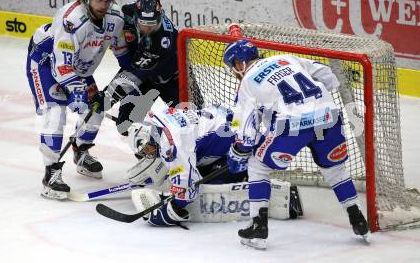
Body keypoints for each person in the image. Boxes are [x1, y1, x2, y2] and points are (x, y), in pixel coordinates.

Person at [223, 39, 369, 249]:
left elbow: (247, 134)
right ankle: (358, 218)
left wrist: (238, 152)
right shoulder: (286, 58)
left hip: (292, 126)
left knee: (257, 165)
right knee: (334, 168)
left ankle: (258, 226)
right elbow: (328, 75)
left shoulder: (247, 82)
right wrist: (310, 103)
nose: (235, 72)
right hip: (328, 116)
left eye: (233, 66)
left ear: (239, 64)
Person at [26, 0, 130, 200]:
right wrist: (76, 91)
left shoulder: (116, 18)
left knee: (96, 110)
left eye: (108, 0)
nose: (103, 5)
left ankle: (81, 153)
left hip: (80, 69)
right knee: (55, 114)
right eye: (98, 0)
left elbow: (123, 56)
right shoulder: (71, 18)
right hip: (45, 63)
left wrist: (134, 78)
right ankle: (50, 175)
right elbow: (61, 65)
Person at [123, 97, 303, 227]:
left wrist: (173, 208)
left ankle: (276, 193)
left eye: (147, 148)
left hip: (236, 140)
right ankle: (245, 169)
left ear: (150, 136)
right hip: (229, 122)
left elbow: (188, 186)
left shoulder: (170, 143)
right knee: (195, 164)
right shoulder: (155, 118)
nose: (149, 153)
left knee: (208, 184)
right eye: (144, 152)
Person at [92, 0, 180, 135]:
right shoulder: (127, 12)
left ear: (160, 16)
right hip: (147, 81)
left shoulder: (163, 40)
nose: (146, 28)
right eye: (143, 23)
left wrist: (107, 97)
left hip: (174, 79)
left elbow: (135, 73)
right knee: (125, 125)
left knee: (193, 123)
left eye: (151, 24)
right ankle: (151, 152)